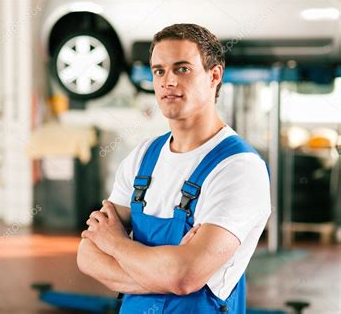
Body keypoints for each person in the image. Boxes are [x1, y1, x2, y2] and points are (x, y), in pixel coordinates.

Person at [77, 23, 271, 313]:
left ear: (214, 75)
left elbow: (184, 276)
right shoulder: (143, 157)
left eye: (182, 69)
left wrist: (116, 244)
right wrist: (166, 272)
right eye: (159, 71)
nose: (168, 81)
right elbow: (87, 255)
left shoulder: (239, 168)